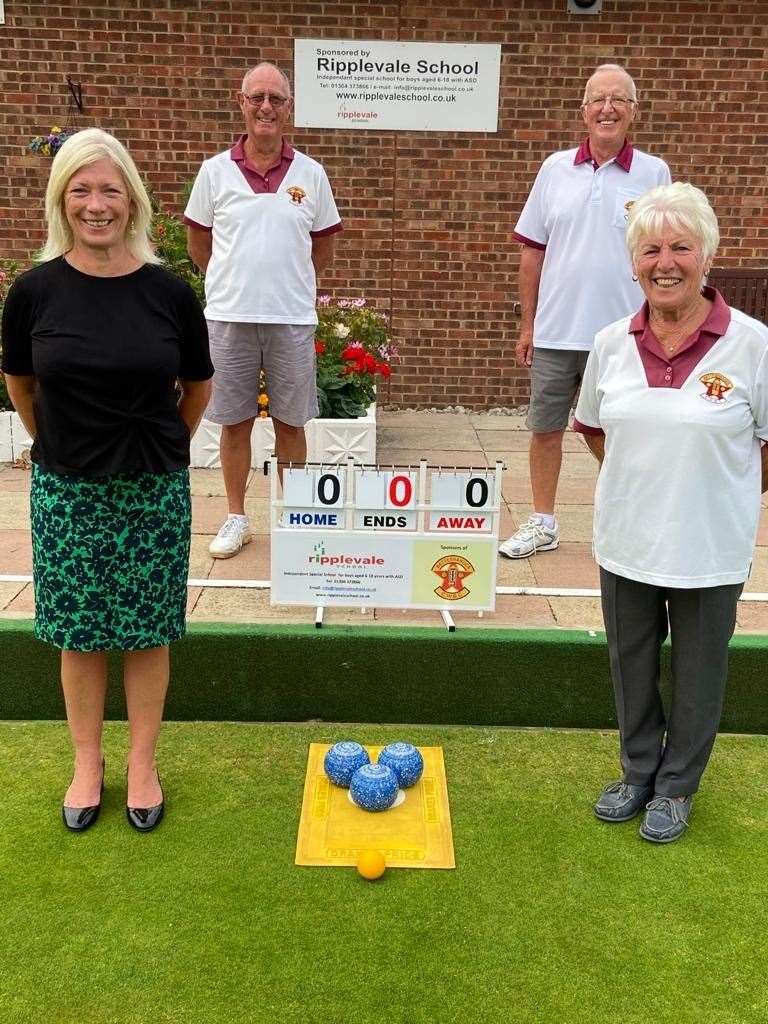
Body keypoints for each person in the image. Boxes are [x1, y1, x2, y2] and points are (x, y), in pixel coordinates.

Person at [1, 129, 213, 832]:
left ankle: (143, 765)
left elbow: (199, 388)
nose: (97, 205)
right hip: (68, 491)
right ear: (62, 199)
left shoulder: (169, 293)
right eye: (81, 189)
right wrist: (58, 444)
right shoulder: (32, 291)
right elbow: (20, 384)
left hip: (153, 488)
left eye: (109, 189)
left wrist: (161, 447)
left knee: (148, 632)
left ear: (133, 200)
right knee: (80, 636)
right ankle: (87, 764)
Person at [573, 182, 768, 842]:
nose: (666, 262)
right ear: (634, 262)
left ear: (706, 255)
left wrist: (717, 488)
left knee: (698, 669)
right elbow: (597, 430)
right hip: (627, 538)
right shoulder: (609, 343)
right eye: (650, 249)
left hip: (709, 545)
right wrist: (647, 481)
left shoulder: (752, 344)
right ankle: (636, 772)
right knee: (631, 664)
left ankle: (677, 785)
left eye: (681, 247)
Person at [499, 64, 671, 559]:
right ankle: (543, 522)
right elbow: (532, 252)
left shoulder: (653, 174)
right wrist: (528, 323)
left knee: (623, 433)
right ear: (584, 111)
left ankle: (629, 522)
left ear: (633, 113)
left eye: (619, 100)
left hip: (624, 335)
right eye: (599, 99)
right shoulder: (555, 169)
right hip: (555, 330)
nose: (608, 109)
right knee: (545, 428)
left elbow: (662, 253)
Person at [185, 62, 342, 558]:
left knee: (292, 423)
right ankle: (236, 517)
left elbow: (321, 249)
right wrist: (234, 283)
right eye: (258, 97)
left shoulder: (311, 174)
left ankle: (295, 519)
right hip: (229, 317)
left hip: (291, 319)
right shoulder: (214, 172)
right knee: (234, 422)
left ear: (288, 107)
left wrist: (284, 285)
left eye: (276, 98)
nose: (267, 107)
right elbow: (198, 244)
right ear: (242, 102)